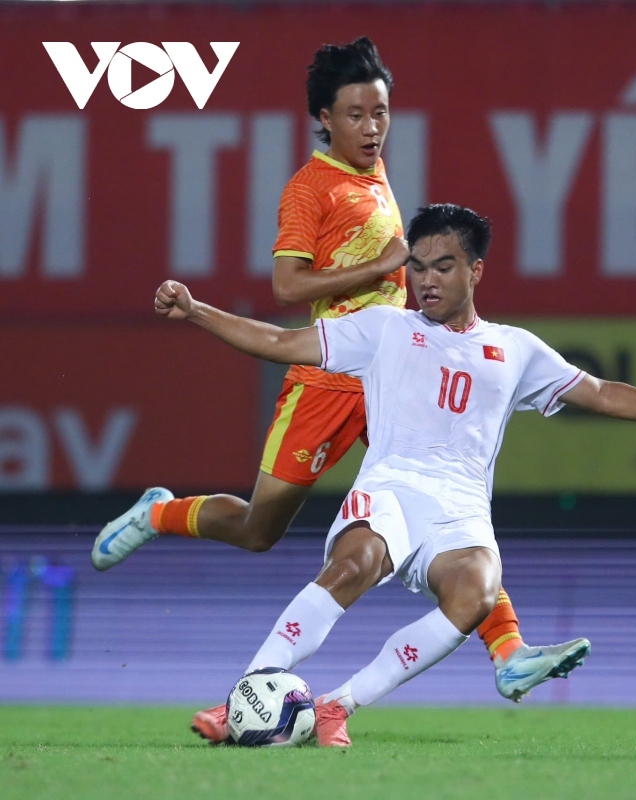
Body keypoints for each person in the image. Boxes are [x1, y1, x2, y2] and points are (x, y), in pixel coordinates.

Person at [91, 37, 589, 718]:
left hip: (389, 374)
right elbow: (288, 283)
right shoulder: (309, 187)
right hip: (328, 382)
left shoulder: (377, 172)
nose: (372, 127)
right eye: (356, 115)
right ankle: (158, 511)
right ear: (324, 118)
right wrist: (382, 266)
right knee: (259, 529)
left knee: (447, 504)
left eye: (381, 112)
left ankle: (508, 653)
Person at [148, 203, 636, 745]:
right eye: (417, 266)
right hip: (388, 491)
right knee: (354, 563)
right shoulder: (386, 329)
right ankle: (245, 697)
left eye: (443, 266)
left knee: (478, 589)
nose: (426, 280)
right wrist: (196, 311)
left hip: (460, 513)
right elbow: (280, 341)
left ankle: (338, 706)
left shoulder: (516, 349)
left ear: (476, 271)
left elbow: (602, 394)